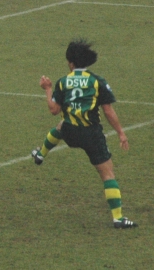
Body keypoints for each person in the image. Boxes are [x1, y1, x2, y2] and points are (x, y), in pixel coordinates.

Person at [30, 39, 137, 229]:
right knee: (107, 173)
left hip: (70, 132)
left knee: (62, 123)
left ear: (71, 63)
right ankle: (118, 218)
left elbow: (54, 109)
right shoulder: (97, 81)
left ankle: (40, 155)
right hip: (92, 134)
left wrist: (47, 89)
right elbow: (108, 111)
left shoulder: (63, 82)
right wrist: (121, 133)